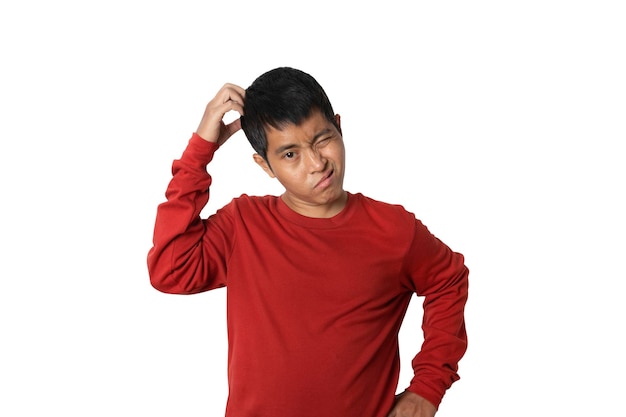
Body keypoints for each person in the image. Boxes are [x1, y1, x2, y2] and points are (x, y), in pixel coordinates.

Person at [147, 67, 469, 417]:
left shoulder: (393, 230)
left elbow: (448, 279)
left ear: (340, 127)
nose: (317, 164)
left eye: (323, 139)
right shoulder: (244, 225)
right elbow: (170, 269)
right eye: (290, 154)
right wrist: (201, 149)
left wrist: (427, 388)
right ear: (265, 165)